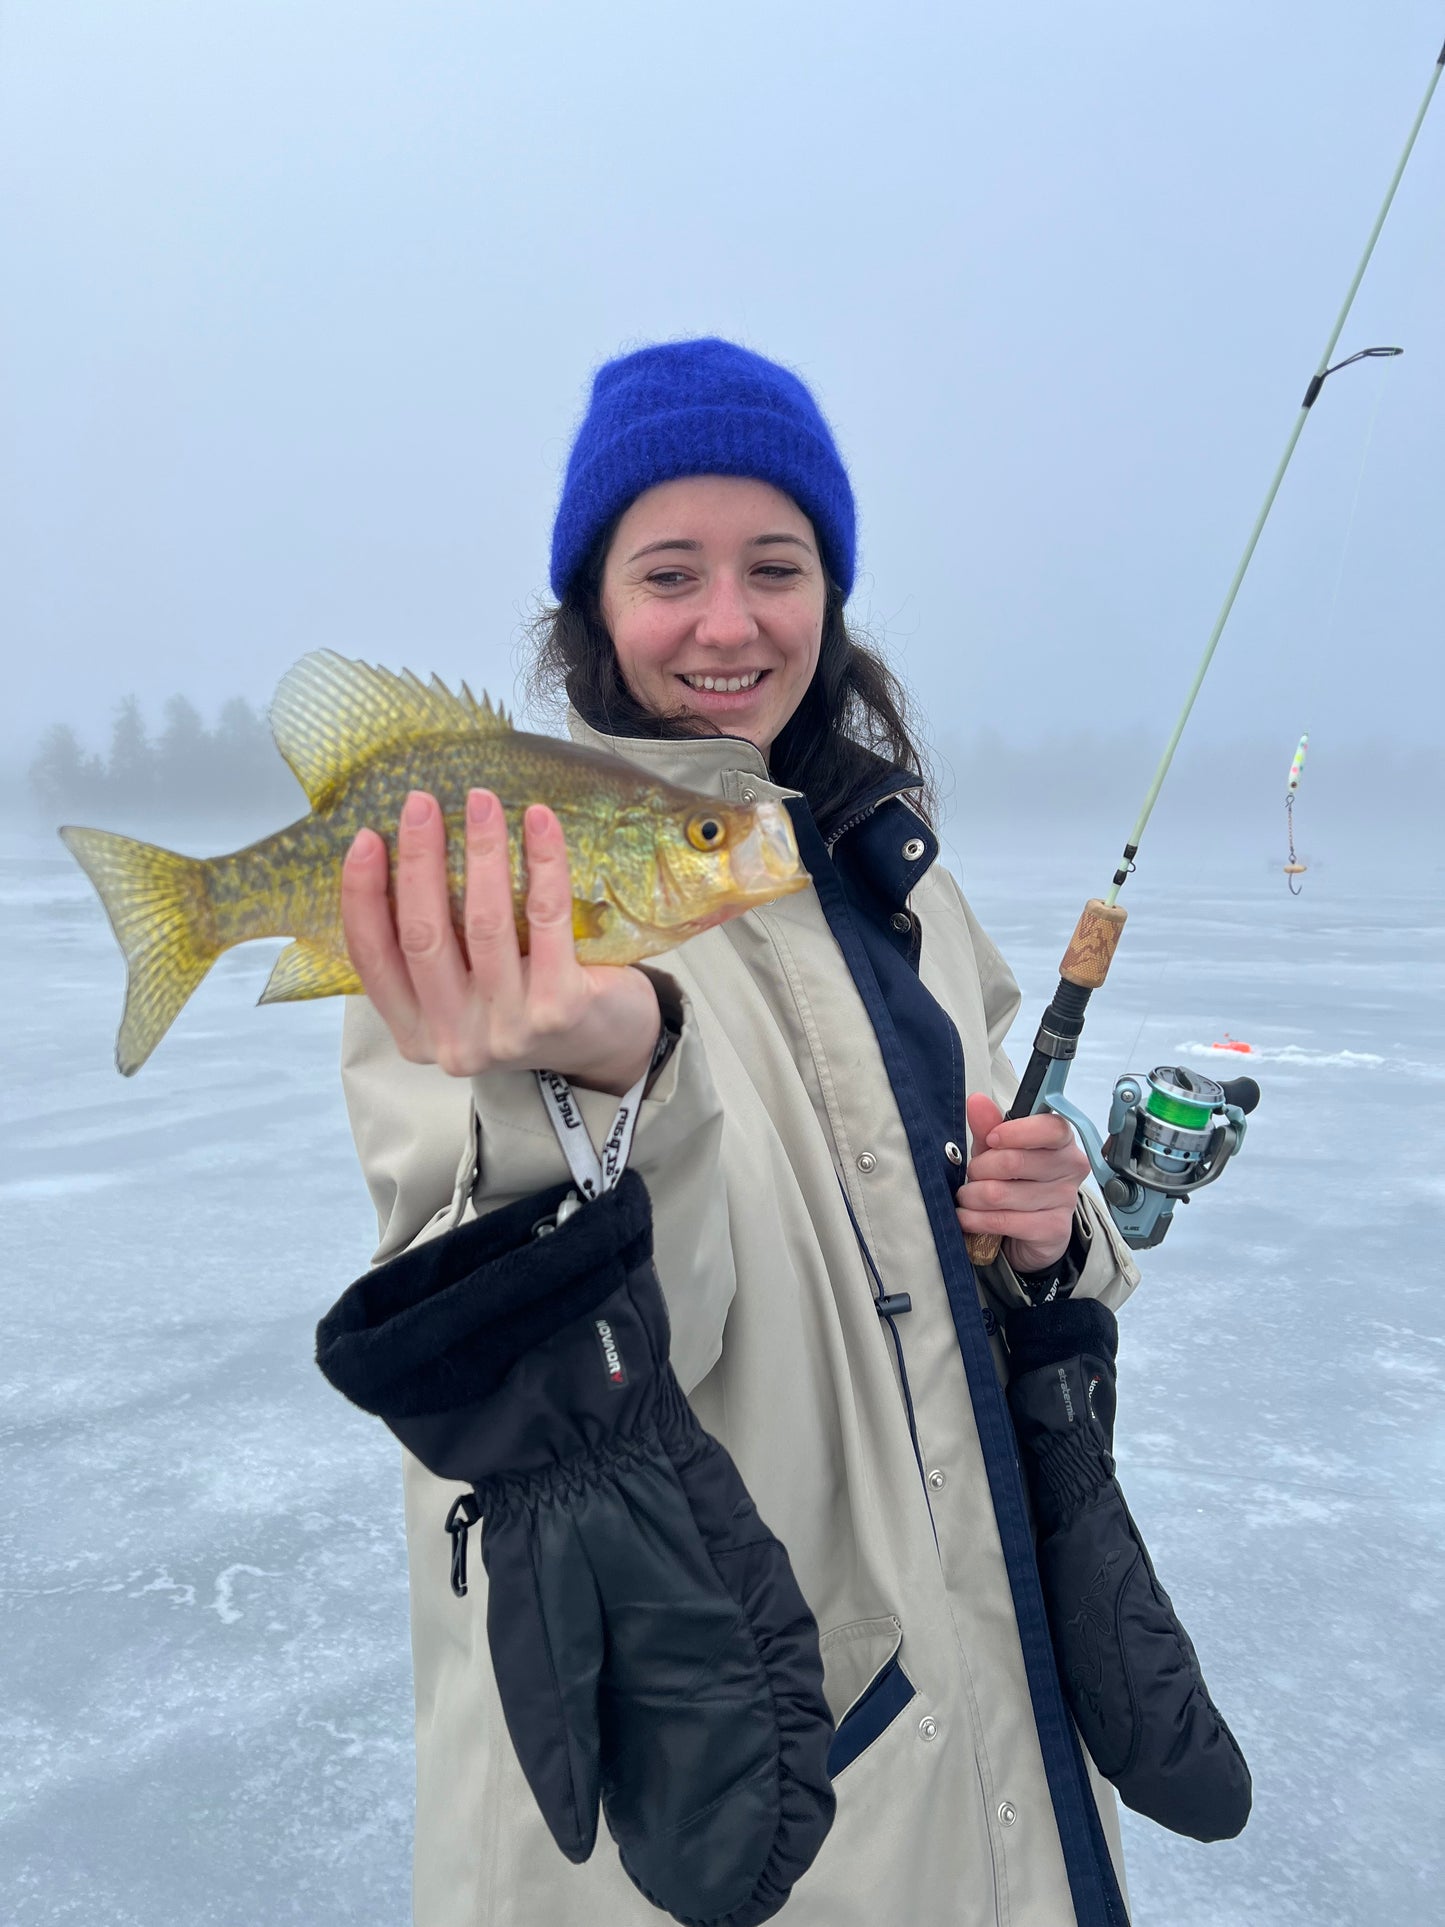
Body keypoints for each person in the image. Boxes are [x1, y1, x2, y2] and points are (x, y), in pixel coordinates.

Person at [337, 338, 1141, 1927]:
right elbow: (545, 1394)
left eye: (775, 566)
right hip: (737, 1745)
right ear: (593, 609)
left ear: (828, 597)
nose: (728, 621)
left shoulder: (888, 874)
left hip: (991, 1673)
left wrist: (1058, 1228)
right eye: (668, 572)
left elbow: (969, 1220)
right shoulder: (498, 903)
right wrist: (612, 1081)